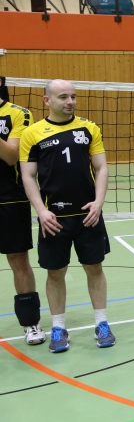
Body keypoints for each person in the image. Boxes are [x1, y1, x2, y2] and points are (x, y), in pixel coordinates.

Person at [19, 79, 115, 353]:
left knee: (95, 268)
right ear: (47, 100)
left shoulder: (89, 128)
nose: (70, 101)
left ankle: (102, 323)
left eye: (73, 96)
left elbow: (101, 168)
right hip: (54, 219)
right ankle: (58, 327)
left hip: (88, 216)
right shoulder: (32, 133)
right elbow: (28, 176)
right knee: (55, 273)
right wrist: (41, 211)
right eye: (63, 97)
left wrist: (98, 203)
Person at [0, 95, 45, 345]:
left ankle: (30, 323)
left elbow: (11, 156)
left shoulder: (18, 113)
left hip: (9, 199)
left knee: (18, 261)